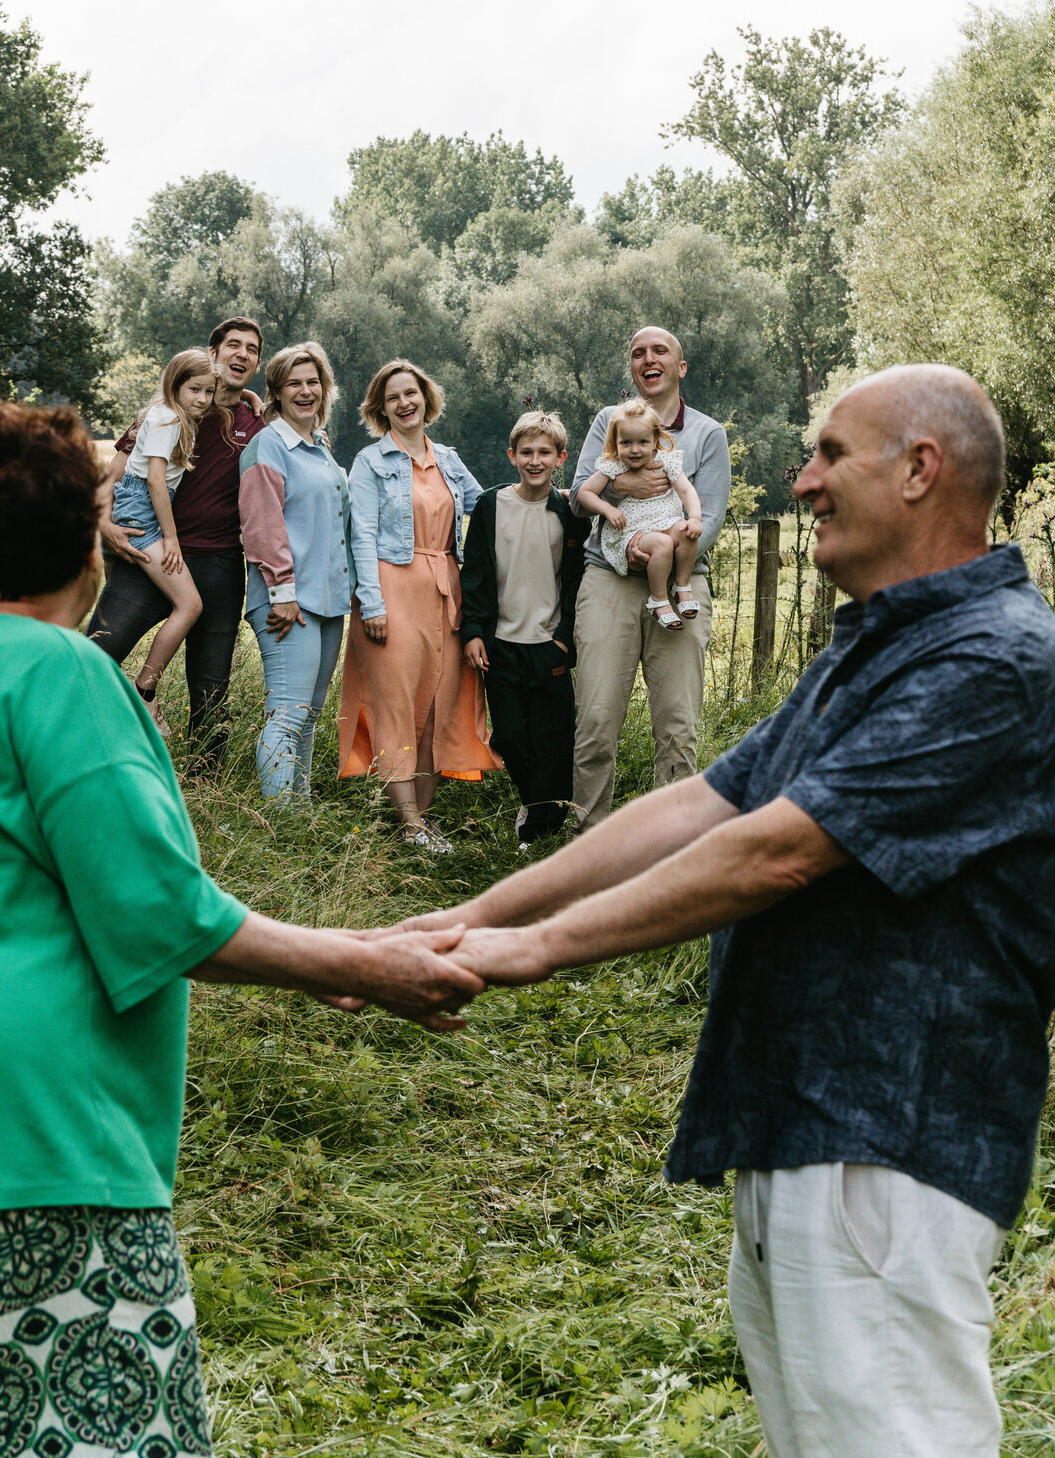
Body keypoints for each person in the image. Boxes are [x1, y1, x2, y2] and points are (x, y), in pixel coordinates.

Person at [393, 364, 1054, 1458]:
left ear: (920, 470)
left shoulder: (995, 657)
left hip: (887, 1141)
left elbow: (777, 851)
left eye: (829, 454)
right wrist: (468, 920)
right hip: (802, 1125)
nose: (802, 482)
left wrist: (529, 951)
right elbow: (706, 803)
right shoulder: (887, 640)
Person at [0, 397, 481, 1458]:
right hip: (37, 1135)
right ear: (83, 545)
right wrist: (363, 962)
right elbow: (161, 914)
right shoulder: (59, 669)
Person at [569, 326, 730, 825]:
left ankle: (670, 840)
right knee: (596, 718)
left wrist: (665, 552)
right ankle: (588, 836)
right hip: (610, 578)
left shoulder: (706, 433)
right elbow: (578, 497)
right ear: (632, 368)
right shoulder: (609, 421)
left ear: (680, 367)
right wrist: (628, 490)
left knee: (678, 725)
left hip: (682, 584)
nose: (648, 359)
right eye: (638, 353)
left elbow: (710, 516)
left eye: (660, 351)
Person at [339, 359, 501, 851]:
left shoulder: (447, 458)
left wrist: (549, 493)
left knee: (437, 707)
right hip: (392, 589)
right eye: (393, 397)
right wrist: (371, 604)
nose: (404, 403)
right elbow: (362, 535)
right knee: (396, 706)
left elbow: (487, 506)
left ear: (426, 399)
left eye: (411, 393)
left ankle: (422, 824)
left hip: (445, 591)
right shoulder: (370, 462)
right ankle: (409, 824)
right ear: (381, 409)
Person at [88, 317, 264, 763]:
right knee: (97, 654)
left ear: (257, 365)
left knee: (211, 691)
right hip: (150, 555)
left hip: (219, 565)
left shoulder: (258, 422)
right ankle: (71, 754)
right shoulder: (166, 411)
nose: (242, 354)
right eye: (234, 345)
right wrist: (105, 525)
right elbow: (111, 479)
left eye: (252, 349)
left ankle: (205, 785)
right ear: (212, 353)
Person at [460, 408, 584, 846]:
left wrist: (564, 640)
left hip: (549, 644)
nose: (535, 461)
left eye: (544, 453)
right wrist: (473, 631)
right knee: (510, 738)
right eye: (526, 452)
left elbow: (577, 581)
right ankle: (538, 807)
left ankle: (539, 830)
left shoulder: (570, 511)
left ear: (560, 458)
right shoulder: (490, 505)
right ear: (511, 455)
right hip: (501, 646)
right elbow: (474, 574)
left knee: (553, 740)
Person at [239, 341, 353, 802]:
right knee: (287, 714)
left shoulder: (319, 446)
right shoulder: (269, 443)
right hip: (287, 600)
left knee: (308, 716)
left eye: (313, 382)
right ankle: (280, 821)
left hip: (327, 600)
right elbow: (261, 523)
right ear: (277, 392)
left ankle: (298, 812)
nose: (305, 391)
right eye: (294, 384)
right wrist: (282, 593)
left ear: (324, 389)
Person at [108, 348, 216, 727]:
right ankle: (144, 692)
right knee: (189, 605)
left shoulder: (172, 415)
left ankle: (142, 691)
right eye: (194, 390)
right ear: (175, 386)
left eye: (208, 391)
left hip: (144, 506)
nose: (202, 399)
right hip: (142, 512)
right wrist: (171, 538)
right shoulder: (168, 419)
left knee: (187, 605)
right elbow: (155, 480)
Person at [575, 400, 704, 630]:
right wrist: (607, 509)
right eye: (626, 442)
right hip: (631, 532)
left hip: (667, 522)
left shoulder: (666, 460)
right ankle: (658, 600)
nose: (634, 450)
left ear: (655, 441)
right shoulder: (613, 466)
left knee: (686, 533)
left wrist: (694, 518)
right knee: (663, 543)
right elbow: (584, 493)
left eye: (643, 442)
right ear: (616, 442)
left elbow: (686, 490)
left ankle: (682, 587)